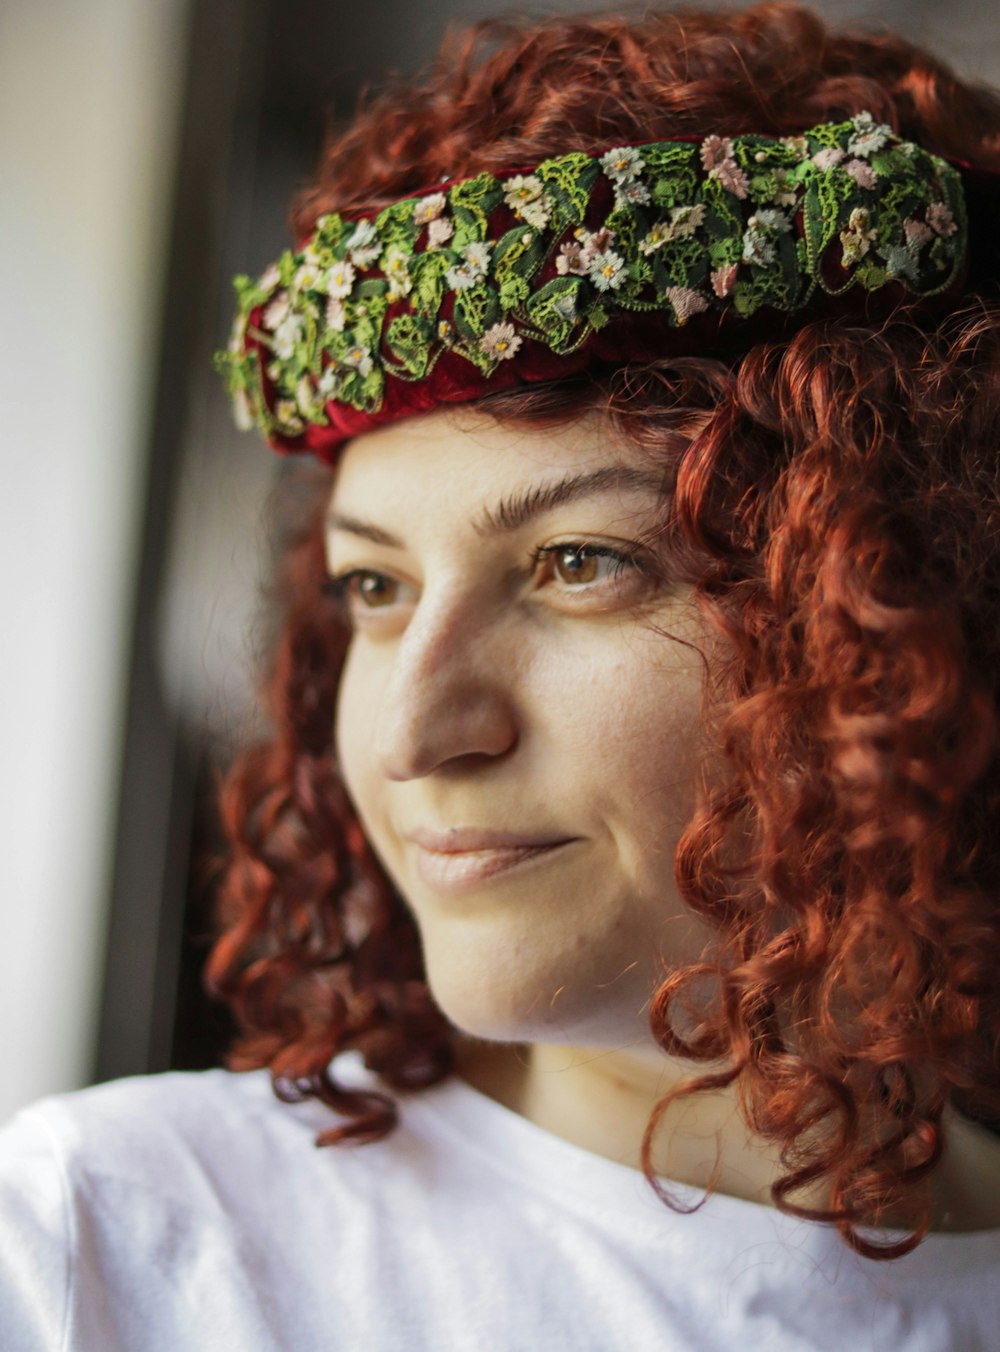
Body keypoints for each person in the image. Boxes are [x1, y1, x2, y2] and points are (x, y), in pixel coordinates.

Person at [4, 4, 1000, 1348]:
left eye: (579, 563)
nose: (415, 731)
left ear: (903, 608)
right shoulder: (113, 1250)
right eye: (376, 588)